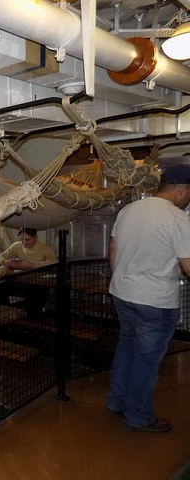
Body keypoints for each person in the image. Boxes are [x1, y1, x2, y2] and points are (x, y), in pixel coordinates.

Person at [105, 164, 190, 433]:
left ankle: (116, 401)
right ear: (182, 191)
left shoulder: (130, 210)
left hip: (122, 293)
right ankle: (138, 416)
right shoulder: (178, 219)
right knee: (146, 359)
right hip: (155, 300)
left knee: (127, 347)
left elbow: (113, 248)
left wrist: (121, 279)